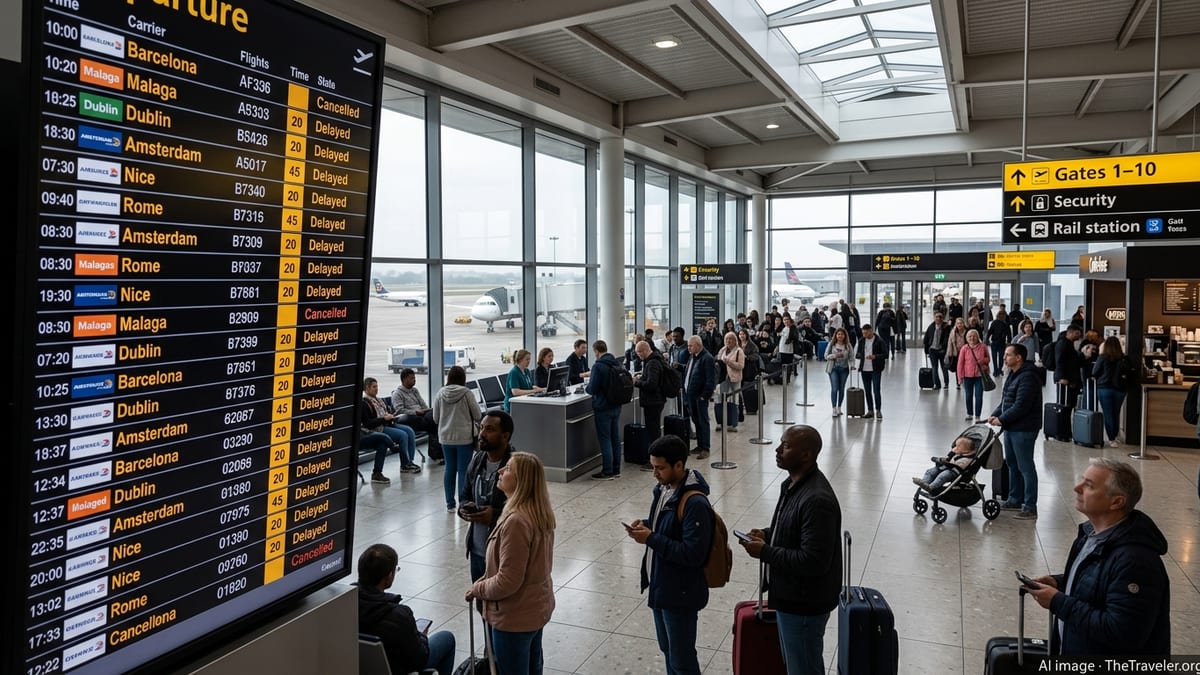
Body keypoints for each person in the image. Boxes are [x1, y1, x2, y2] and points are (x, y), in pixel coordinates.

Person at [1026, 458, 1170, 656]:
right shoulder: (1091, 535)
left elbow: (1124, 632)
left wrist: (1058, 602)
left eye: (1089, 485)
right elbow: (1102, 582)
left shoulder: (1136, 561)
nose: (1077, 488)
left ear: (1117, 501)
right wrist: (1061, 582)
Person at [737, 425, 841, 675]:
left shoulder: (817, 500)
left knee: (803, 667)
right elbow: (794, 529)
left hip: (805, 603)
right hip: (790, 596)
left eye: (786, 446)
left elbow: (814, 561)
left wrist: (765, 552)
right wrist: (768, 534)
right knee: (795, 663)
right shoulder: (793, 484)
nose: (777, 450)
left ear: (806, 454)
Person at [625, 435, 713, 675]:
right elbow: (664, 526)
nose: (655, 473)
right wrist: (645, 526)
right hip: (660, 586)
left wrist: (651, 538)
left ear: (679, 466)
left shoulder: (695, 503)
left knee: (682, 659)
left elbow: (693, 553)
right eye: (653, 467)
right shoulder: (662, 489)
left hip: (680, 593)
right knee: (668, 651)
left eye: (660, 468)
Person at [465, 452, 556, 675]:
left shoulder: (516, 521)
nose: (500, 471)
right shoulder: (538, 513)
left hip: (514, 616)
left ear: (521, 480)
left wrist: (477, 588)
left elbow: (508, 581)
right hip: (534, 608)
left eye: (508, 469)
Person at [356, 543, 456, 675]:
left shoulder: (342, 605)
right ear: (389, 576)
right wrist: (422, 636)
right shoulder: (399, 616)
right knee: (447, 638)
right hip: (399, 669)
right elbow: (419, 659)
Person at [988, 344, 1043, 520]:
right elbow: (1007, 400)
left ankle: (1029, 506)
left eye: (1008, 355)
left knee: (1025, 467)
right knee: (1012, 464)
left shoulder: (1028, 377)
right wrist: (996, 414)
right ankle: (1014, 498)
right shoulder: (1013, 374)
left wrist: (1002, 419)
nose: (1004, 358)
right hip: (1012, 427)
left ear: (1018, 357)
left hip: (1024, 428)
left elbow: (1022, 406)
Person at [460, 410, 514, 582]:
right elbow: (464, 495)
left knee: (500, 606)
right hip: (477, 549)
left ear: (505, 436)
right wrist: (465, 509)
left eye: (489, 429)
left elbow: (525, 507)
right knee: (481, 605)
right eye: (481, 427)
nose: (482, 434)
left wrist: (495, 514)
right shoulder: (477, 459)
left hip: (502, 551)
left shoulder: (516, 466)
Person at [433, 365, 482, 512]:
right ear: (463, 378)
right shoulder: (467, 393)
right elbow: (478, 415)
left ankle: (450, 504)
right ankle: (463, 502)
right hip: (464, 438)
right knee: (463, 470)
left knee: (449, 468)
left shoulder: (440, 393)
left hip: (445, 438)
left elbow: (435, 418)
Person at [362, 377, 421, 475]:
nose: (377, 389)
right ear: (367, 388)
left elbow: (385, 412)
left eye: (377, 386)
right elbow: (368, 423)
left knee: (409, 431)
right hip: (378, 428)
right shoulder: (365, 403)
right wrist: (384, 419)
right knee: (402, 435)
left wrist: (391, 415)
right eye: (374, 387)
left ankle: (410, 461)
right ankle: (405, 464)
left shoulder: (379, 400)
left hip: (388, 423)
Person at [586, 340, 623, 480]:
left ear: (596, 351)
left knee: (605, 439)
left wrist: (586, 388)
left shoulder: (598, 366)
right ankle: (616, 469)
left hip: (603, 406)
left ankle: (607, 471)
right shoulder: (616, 362)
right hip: (616, 405)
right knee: (615, 437)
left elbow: (593, 388)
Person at [391, 368, 442, 462]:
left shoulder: (414, 390)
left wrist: (426, 410)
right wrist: (415, 412)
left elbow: (423, 404)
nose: (414, 380)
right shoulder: (397, 394)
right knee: (433, 423)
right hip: (409, 418)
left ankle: (437, 453)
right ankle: (436, 454)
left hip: (421, 415)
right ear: (404, 379)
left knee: (435, 417)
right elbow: (399, 410)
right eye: (411, 378)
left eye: (414, 378)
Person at [680, 335, 717, 460]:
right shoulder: (693, 357)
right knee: (696, 421)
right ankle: (700, 445)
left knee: (703, 421)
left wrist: (704, 396)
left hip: (699, 397)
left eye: (691, 346)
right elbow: (690, 372)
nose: (688, 348)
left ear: (698, 345)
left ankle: (705, 447)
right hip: (690, 395)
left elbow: (710, 380)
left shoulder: (707, 358)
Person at [634, 339, 667, 471]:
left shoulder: (652, 363)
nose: (638, 355)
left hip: (653, 401)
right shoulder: (654, 360)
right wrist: (642, 377)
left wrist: (636, 383)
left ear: (645, 350)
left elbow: (652, 385)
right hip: (656, 400)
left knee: (653, 432)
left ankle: (655, 461)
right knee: (654, 430)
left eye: (639, 352)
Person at [1092, 336, 1130, 447]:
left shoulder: (1102, 357)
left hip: (1104, 388)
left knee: (1108, 413)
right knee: (1116, 413)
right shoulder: (1124, 358)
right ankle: (1115, 435)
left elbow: (1095, 372)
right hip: (1120, 389)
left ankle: (1111, 438)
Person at [912, 436, 978, 492]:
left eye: (958, 447)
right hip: (947, 467)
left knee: (942, 476)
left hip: (954, 472)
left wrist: (947, 462)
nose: (954, 448)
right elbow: (948, 459)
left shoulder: (967, 459)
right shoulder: (959, 453)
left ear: (965, 451)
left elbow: (959, 466)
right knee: (931, 471)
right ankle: (924, 482)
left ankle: (931, 487)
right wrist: (948, 456)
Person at [957, 329, 990, 423]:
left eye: (974, 336)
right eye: (970, 336)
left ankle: (978, 415)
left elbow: (988, 359)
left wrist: (982, 361)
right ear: (967, 338)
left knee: (979, 396)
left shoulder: (983, 346)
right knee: (968, 396)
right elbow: (960, 364)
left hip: (980, 376)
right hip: (967, 376)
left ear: (977, 337)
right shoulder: (964, 348)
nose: (972, 338)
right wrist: (960, 377)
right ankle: (969, 413)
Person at [855, 324, 887, 419]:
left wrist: (875, 357)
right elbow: (857, 353)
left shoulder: (879, 341)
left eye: (866, 333)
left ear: (871, 331)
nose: (864, 335)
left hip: (876, 369)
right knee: (867, 391)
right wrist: (860, 355)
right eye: (863, 333)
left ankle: (878, 410)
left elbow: (885, 354)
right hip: (864, 369)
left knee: (876, 390)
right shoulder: (861, 341)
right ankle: (870, 410)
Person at [715, 332, 745, 432]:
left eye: (731, 339)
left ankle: (733, 423)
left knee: (734, 400)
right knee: (720, 399)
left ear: (735, 340)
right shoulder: (722, 349)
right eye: (727, 339)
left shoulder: (739, 351)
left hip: (734, 378)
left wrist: (729, 362)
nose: (728, 341)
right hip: (723, 378)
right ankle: (720, 422)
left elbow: (741, 366)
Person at [825, 327, 853, 417]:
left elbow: (851, 357)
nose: (840, 336)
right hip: (833, 368)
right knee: (834, 388)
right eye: (838, 334)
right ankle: (833, 408)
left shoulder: (848, 345)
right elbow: (825, 355)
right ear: (836, 335)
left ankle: (839, 407)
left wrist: (852, 365)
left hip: (844, 369)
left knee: (841, 389)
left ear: (845, 336)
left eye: (842, 334)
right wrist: (834, 355)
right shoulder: (831, 344)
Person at [1054, 326, 1084, 408]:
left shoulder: (1069, 344)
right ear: (1070, 332)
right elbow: (1059, 360)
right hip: (1065, 379)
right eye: (1077, 333)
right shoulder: (1063, 344)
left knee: (1070, 403)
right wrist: (1061, 377)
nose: (1079, 336)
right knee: (1064, 404)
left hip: (1070, 378)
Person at [923, 312, 950, 390]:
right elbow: (926, 338)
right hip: (933, 350)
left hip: (942, 351)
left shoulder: (946, 327)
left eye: (940, 317)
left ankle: (946, 384)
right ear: (934, 318)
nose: (938, 318)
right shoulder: (931, 326)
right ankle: (936, 384)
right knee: (934, 368)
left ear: (942, 318)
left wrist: (944, 347)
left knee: (944, 368)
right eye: (936, 317)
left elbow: (947, 338)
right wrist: (926, 350)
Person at [986, 310, 1010, 377]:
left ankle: (998, 370)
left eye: (1003, 314)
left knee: (999, 357)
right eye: (1001, 314)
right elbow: (990, 331)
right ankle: (997, 370)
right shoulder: (998, 323)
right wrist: (987, 339)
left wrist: (1008, 341)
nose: (1002, 316)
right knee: (997, 357)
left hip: (999, 342)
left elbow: (1008, 333)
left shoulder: (1003, 323)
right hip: (997, 342)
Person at [946, 317, 968, 389]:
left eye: (961, 323)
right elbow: (950, 342)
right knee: (957, 368)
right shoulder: (953, 332)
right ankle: (958, 382)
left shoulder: (967, 331)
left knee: (966, 367)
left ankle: (965, 381)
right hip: (957, 353)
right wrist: (949, 353)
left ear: (963, 324)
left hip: (966, 353)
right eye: (958, 323)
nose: (959, 325)